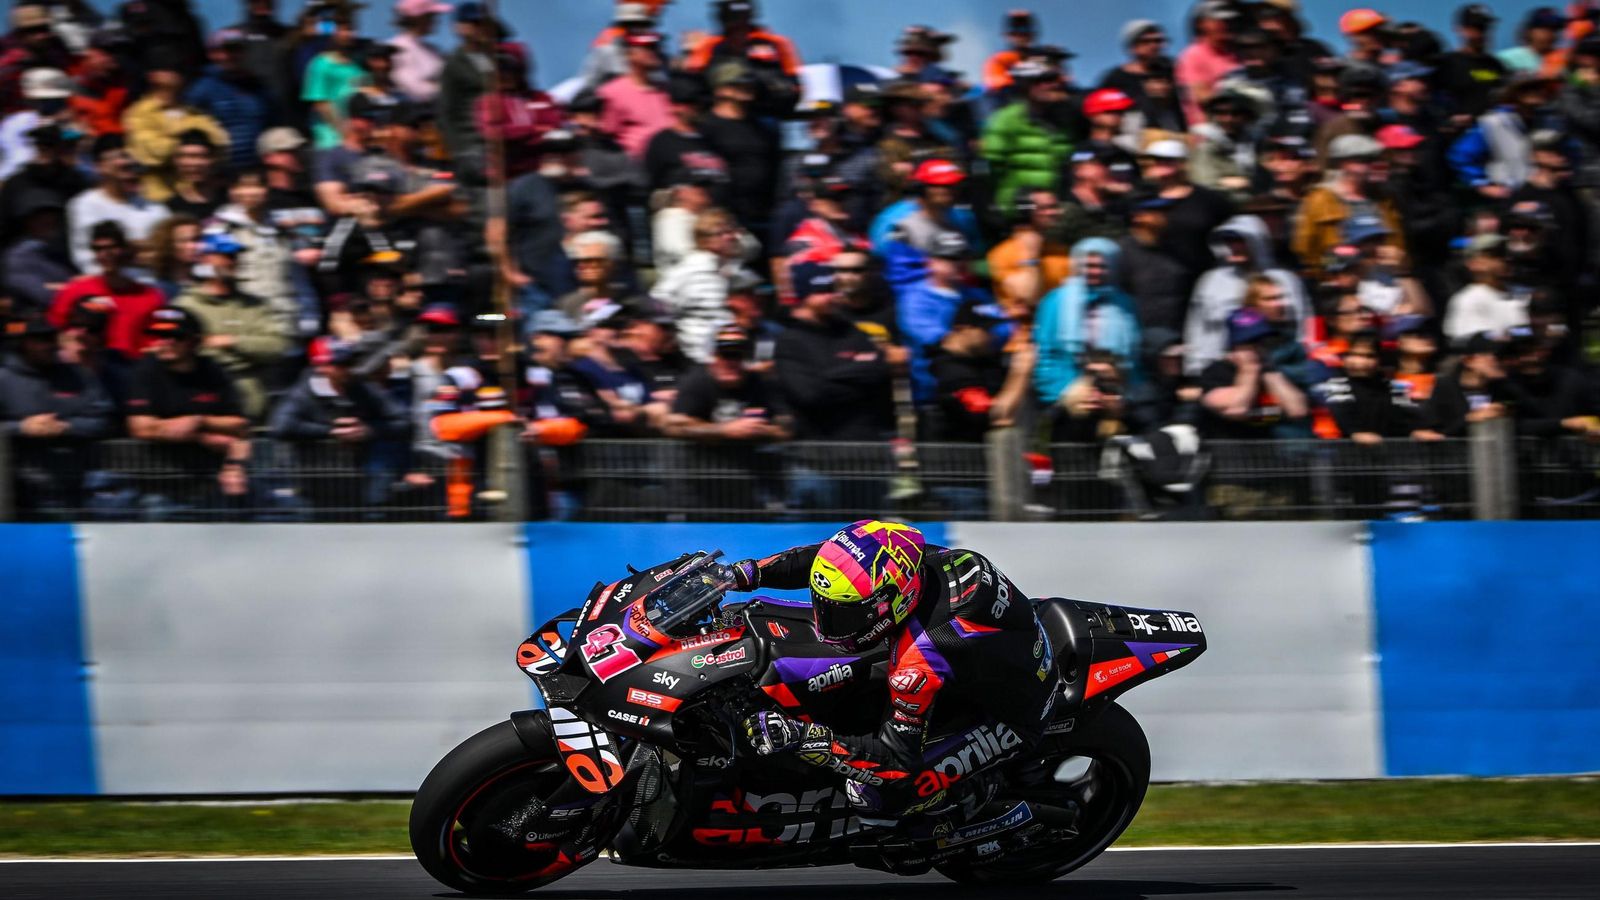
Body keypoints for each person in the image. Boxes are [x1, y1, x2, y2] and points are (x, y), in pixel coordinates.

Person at [727, 520, 1059, 820]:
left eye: (845, 615)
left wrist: (804, 738)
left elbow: (897, 765)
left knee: (877, 796)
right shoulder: (913, 559)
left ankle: (966, 802)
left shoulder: (919, 660)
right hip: (986, 657)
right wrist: (745, 573)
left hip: (1010, 717)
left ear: (894, 600)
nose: (829, 624)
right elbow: (826, 559)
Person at [125, 306, 252, 515]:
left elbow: (239, 425)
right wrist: (201, 436)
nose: (165, 342)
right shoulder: (144, 371)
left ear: (194, 342)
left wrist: (199, 421)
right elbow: (140, 427)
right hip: (159, 484)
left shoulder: (213, 371)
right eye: (160, 336)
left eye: (175, 336)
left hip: (211, 481)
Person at [0, 315, 113, 517]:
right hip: (18, 492)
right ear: (21, 344)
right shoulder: (4, 379)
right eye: (40, 340)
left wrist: (65, 427)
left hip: (79, 487)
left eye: (51, 339)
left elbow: (103, 419)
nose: (49, 345)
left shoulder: (80, 375)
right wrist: (22, 428)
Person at [174, 229, 292, 420]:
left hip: (250, 404)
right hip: (204, 402)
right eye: (226, 255)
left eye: (235, 256)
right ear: (205, 259)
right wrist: (248, 351)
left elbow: (277, 347)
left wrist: (230, 341)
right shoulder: (186, 305)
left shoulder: (255, 305)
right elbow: (184, 352)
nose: (233, 261)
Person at [774, 262, 893, 442]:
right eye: (823, 291)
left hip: (866, 445)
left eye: (832, 290)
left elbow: (879, 370)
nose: (832, 296)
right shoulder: (789, 341)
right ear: (805, 297)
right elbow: (810, 396)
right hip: (819, 451)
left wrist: (830, 376)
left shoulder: (851, 330)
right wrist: (856, 373)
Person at [1184, 215, 1311, 377]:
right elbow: (1196, 327)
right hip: (1218, 369)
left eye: (1241, 240)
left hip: (1279, 367)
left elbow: (1304, 322)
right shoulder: (1211, 282)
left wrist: (1305, 358)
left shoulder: (1285, 280)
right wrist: (1193, 367)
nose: (1234, 246)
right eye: (1229, 240)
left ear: (1258, 241)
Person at [1033, 237, 1142, 408]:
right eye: (1090, 266)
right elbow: (1046, 354)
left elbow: (1133, 357)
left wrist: (1125, 396)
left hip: (1113, 390)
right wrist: (1065, 393)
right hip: (1067, 390)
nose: (1095, 272)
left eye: (1102, 266)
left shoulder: (1124, 304)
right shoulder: (1056, 301)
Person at [651, 208, 759, 363]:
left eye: (733, 231)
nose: (732, 237)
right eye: (723, 232)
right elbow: (658, 302)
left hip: (731, 355)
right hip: (698, 358)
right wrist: (673, 339)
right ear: (705, 239)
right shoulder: (691, 270)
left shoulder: (734, 271)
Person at [1292, 133, 1403, 282]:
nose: (1372, 166)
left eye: (1374, 160)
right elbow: (1308, 257)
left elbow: (1398, 245)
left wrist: (1398, 257)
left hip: (1383, 281)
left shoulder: (1382, 199)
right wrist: (1338, 269)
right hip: (1341, 287)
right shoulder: (1318, 200)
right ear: (1342, 164)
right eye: (1364, 161)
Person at [48, 220, 165, 360]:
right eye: (98, 249)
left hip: (134, 370)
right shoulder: (75, 290)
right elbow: (55, 329)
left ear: (125, 250)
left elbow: (156, 341)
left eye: (112, 247)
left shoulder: (150, 296)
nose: (106, 254)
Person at [121, 62, 229, 203]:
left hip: (196, 195)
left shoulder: (193, 111)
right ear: (152, 76)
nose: (176, 74)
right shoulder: (137, 113)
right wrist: (192, 138)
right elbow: (151, 152)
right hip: (159, 196)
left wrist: (169, 137)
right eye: (168, 69)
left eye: (179, 70)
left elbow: (221, 142)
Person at [1198, 306, 1311, 440]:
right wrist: (1249, 371)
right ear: (1234, 346)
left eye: (1262, 342)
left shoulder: (1270, 370)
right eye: (1250, 343)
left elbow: (1297, 410)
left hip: (1267, 455)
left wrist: (1270, 374)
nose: (1258, 348)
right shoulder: (1216, 372)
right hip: (1229, 454)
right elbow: (1237, 409)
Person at [65, 135, 171, 272]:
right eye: (121, 156)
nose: (129, 162)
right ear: (100, 167)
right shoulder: (84, 205)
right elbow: (87, 257)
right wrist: (140, 248)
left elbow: (167, 255)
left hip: (153, 286)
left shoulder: (157, 210)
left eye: (132, 157)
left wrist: (123, 249)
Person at [980, 60, 1073, 210]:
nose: (1052, 85)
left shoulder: (1064, 120)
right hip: (1016, 211)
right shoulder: (1005, 120)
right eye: (1043, 81)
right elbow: (990, 169)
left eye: (1052, 80)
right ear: (1025, 85)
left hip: (1054, 211)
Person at [185, 28, 276, 171]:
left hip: (255, 169)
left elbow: (272, 124)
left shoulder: (259, 87)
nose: (229, 55)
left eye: (236, 49)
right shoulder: (202, 88)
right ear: (212, 54)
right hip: (218, 171)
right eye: (223, 50)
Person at [987, 188, 1070, 318]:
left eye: (1055, 207)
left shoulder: (1061, 250)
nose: (1054, 212)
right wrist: (1032, 256)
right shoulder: (1002, 253)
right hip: (1026, 330)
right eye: (1045, 208)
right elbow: (1029, 297)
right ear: (1025, 213)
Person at [1412, 332, 1510, 439]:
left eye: (1504, 356)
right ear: (1469, 361)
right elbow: (1433, 432)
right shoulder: (1444, 388)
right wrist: (1469, 419)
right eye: (1494, 356)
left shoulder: (1503, 388)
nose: (1500, 361)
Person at [596, 31, 673, 160]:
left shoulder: (666, 89)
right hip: (637, 168)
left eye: (656, 47)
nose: (654, 52)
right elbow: (605, 135)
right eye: (647, 48)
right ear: (629, 54)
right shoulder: (612, 92)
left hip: (669, 166)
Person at [1443, 234, 1526, 342]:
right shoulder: (1468, 300)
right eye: (1497, 254)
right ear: (1474, 264)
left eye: (1509, 253)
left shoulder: (1523, 294)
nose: (1507, 259)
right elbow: (1473, 340)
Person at [1436, 4, 1508, 121]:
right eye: (1476, 28)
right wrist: (1449, 118)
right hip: (1462, 133)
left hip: (1493, 130)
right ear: (1460, 30)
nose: (1482, 33)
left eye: (1485, 28)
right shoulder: (1447, 63)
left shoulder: (1497, 65)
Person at [1175, 0, 1240, 126]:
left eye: (1228, 20)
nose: (1225, 25)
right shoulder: (1193, 55)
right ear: (1202, 24)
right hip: (1210, 130)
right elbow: (1201, 96)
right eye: (1218, 21)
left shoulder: (1236, 54)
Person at [387, 0, 452, 105]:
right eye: (432, 16)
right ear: (418, 18)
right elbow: (414, 89)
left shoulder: (432, 49)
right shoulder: (398, 48)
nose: (437, 20)